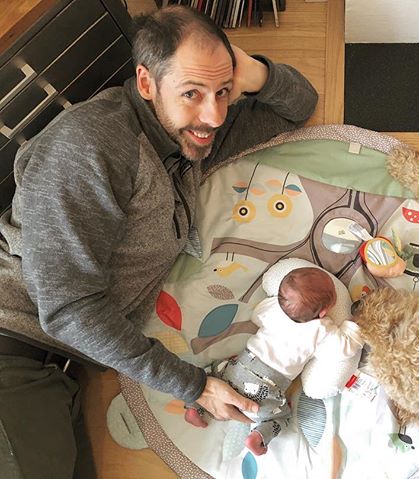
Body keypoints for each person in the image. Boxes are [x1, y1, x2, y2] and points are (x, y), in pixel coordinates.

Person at [0, 5, 317, 478]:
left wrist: (250, 72)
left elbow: (297, 105)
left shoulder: (188, 133)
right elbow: (68, 309)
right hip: (14, 345)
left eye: (223, 92)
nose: (213, 114)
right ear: (147, 83)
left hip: (63, 369)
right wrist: (196, 386)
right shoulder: (88, 147)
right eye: (192, 92)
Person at [185, 266, 362, 456]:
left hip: (238, 367)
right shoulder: (321, 328)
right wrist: (354, 324)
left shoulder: (274, 308)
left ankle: (194, 407)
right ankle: (258, 437)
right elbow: (343, 348)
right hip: (268, 387)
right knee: (282, 417)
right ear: (322, 313)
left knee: (210, 374)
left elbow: (256, 316)